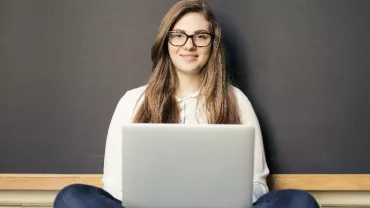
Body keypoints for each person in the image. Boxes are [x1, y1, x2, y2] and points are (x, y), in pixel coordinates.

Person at [54, 0, 320, 207]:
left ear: (211, 44)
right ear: (166, 41)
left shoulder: (235, 100)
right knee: (72, 198)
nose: (189, 45)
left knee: (299, 202)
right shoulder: (133, 101)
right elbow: (113, 184)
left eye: (200, 36)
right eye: (178, 35)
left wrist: (217, 198)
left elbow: (257, 184)